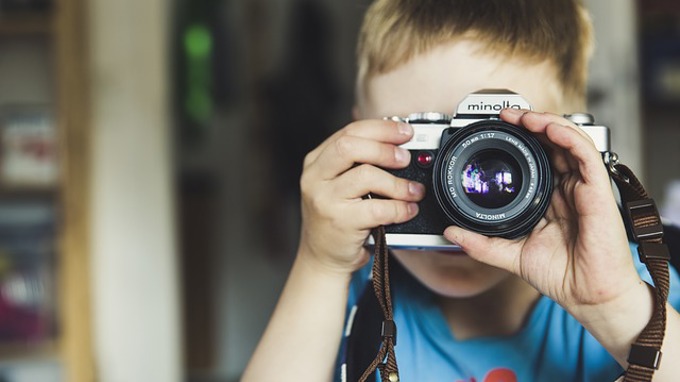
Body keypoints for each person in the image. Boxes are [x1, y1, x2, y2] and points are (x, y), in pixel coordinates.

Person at [241, 0, 680, 381]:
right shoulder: (351, 300)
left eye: (501, 144)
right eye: (425, 146)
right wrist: (319, 265)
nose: (460, 197)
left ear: (570, 144)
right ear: (360, 141)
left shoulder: (634, 290)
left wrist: (617, 311)